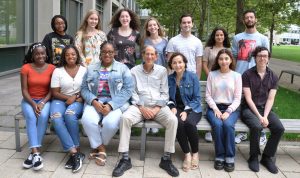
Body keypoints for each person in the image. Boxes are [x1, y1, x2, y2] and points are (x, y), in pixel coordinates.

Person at [112, 46, 179, 177]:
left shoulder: (162, 71)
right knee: (125, 118)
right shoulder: (134, 71)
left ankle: (166, 159)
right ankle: (125, 159)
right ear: (143, 55)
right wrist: (142, 108)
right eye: (146, 54)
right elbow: (132, 92)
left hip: (158, 107)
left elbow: (165, 93)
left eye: (152, 54)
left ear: (156, 56)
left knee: (173, 120)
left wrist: (156, 109)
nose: (149, 57)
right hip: (139, 107)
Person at [81, 41, 134, 167]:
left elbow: (128, 90)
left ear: (115, 52)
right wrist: (93, 101)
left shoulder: (123, 68)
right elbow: (83, 88)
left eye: (110, 52)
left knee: (110, 123)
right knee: (87, 120)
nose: (107, 54)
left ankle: (97, 146)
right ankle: (102, 149)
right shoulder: (91, 68)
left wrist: (111, 105)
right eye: (104, 51)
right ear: (100, 53)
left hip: (116, 102)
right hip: (95, 101)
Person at [241, 46, 285, 174]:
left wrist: (265, 116)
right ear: (255, 58)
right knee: (256, 126)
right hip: (248, 109)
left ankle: (267, 157)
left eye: (265, 56)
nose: (262, 58)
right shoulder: (247, 74)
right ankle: (253, 157)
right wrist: (260, 118)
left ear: (268, 59)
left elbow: (270, 99)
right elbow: (248, 99)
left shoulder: (273, 76)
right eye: (259, 55)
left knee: (279, 128)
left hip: (265, 109)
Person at [232, 10, 269, 145]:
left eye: (251, 17)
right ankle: (243, 132)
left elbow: (266, 58)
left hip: (257, 76)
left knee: (258, 104)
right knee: (242, 105)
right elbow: (234, 58)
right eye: (247, 17)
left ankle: (262, 133)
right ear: (243, 20)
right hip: (240, 76)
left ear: (255, 19)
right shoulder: (237, 38)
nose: (249, 19)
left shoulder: (263, 38)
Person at [50, 45, 86, 173]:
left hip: (78, 101)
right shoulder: (58, 71)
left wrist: (76, 97)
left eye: (73, 54)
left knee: (70, 115)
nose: (71, 56)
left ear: (77, 55)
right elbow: (54, 92)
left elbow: (87, 89)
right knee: (56, 117)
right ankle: (75, 153)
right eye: (67, 55)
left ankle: (75, 151)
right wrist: (67, 98)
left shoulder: (84, 70)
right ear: (64, 57)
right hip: (59, 100)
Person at [205, 49, 242, 172]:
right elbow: (208, 95)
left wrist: (228, 111)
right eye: (221, 59)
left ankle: (230, 157)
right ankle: (220, 156)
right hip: (214, 108)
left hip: (231, 108)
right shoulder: (212, 74)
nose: (223, 61)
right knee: (217, 124)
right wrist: (215, 109)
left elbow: (237, 98)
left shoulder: (237, 76)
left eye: (226, 58)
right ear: (218, 60)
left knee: (228, 125)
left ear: (231, 60)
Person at [21, 42, 55, 170]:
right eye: (37, 54)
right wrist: (33, 103)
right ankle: (36, 153)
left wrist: (42, 102)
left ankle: (33, 153)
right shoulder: (26, 68)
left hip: (45, 100)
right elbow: (24, 90)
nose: (40, 56)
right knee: (31, 116)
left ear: (46, 55)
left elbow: (52, 90)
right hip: (29, 100)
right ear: (32, 55)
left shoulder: (52, 68)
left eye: (42, 53)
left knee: (43, 115)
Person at [167, 52, 202, 172]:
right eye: (174, 62)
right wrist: (171, 106)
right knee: (178, 123)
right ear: (171, 65)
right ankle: (187, 154)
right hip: (177, 109)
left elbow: (197, 99)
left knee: (189, 123)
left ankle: (195, 153)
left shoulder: (193, 77)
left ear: (185, 63)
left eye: (180, 62)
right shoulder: (169, 79)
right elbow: (167, 97)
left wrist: (186, 111)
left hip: (193, 108)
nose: (177, 65)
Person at [203, 27, 231, 142]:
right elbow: (204, 63)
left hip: (225, 81)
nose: (219, 37)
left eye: (221, 35)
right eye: (217, 35)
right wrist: (211, 76)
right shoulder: (208, 49)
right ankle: (210, 130)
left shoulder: (227, 49)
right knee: (211, 101)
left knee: (222, 101)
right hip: (212, 79)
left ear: (224, 36)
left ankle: (222, 127)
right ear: (214, 36)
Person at [142, 16, 168, 134]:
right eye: (150, 25)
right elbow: (141, 56)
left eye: (154, 25)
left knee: (157, 95)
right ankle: (147, 119)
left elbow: (167, 59)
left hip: (160, 71)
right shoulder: (144, 41)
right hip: (147, 71)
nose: (152, 27)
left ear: (158, 26)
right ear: (147, 28)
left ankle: (154, 120)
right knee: (147, 94)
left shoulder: (165, 41)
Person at [166, 14, 203, 79]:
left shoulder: (198, 42)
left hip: (192, 76)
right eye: (184, 23)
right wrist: (170, 78)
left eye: (189, 22)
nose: (186, 25)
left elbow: (199, 63)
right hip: (176, 76)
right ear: (180, 25)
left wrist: (197, 79)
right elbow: (169, 61)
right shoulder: (172, 41)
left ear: (192, 24)